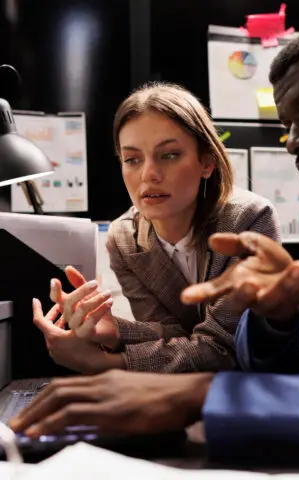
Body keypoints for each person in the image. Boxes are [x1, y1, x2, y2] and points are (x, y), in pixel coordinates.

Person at [11, 12, 299, 470]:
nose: (293, 142)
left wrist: (204, 395)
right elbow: (291, 357)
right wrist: (276, 319)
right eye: (286, 125)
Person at [31, 82, 280, 374]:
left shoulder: (248, 220)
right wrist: (111, 330)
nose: (148, 174)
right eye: (132, 159)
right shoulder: (124, 239)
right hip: (185, 392)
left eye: (170, 155)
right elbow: (173, 335)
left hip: (261, 388)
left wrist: (109, 363)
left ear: (207, 163)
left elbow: (223, 349)